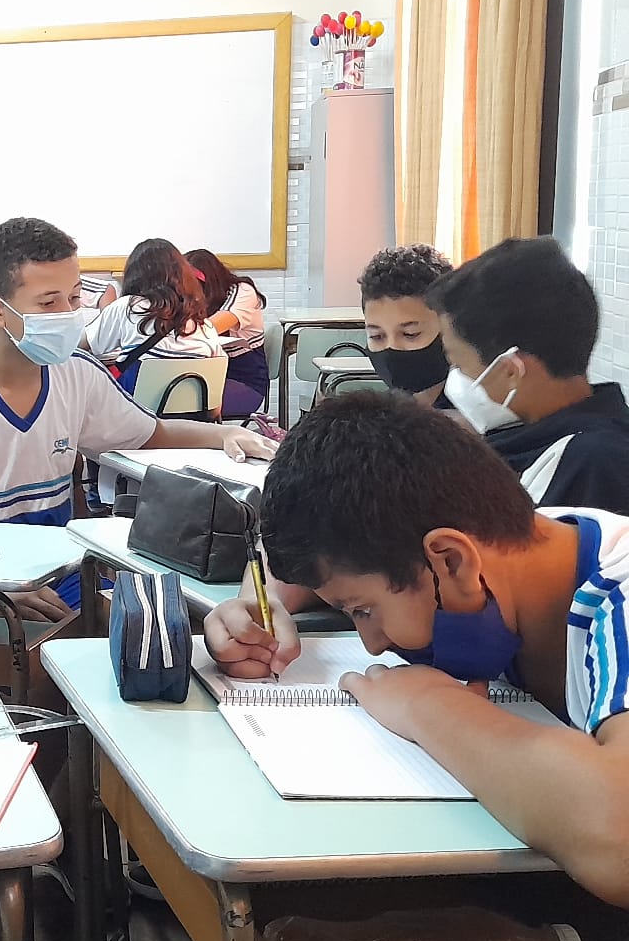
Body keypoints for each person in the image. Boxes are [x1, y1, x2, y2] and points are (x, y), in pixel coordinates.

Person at [215, 390, 629, 910]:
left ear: (451, 560)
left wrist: (429, 706)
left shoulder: (617, 593)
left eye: (363, 611)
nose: (372, 643)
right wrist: (263, 605)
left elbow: (618, 838)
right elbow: (320, 560)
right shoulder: (508, 546)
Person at [0, 218, 275, 622]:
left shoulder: (76, 372)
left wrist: (224, 433)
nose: (68, 315)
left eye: (74, 297)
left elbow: (151, 433)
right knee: (57, 638)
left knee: (150, 623)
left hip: (52, 570)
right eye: (48, 304)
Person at [426, 236, 629, 511]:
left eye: (459, 364)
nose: (457, 379)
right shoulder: (530, 439)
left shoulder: (592, 465)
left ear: (511, 371)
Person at [86, 239, 222, 394]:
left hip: (133, 407)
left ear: (134, 275)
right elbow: (215, 388)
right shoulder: (205, 326)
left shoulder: (128, 307)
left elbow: (78, 344)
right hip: (192, 409)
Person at [357, 244, 454, 406]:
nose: (392, 348)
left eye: (410, 334)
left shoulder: (478, 413)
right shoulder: (380, 414)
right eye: (377, 337)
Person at [184, 248, 270, 417]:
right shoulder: (191, 298)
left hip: (245, 382)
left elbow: (212, 327)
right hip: (206, 378)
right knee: (170, 397)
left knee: (181, 402)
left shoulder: (243, 291)